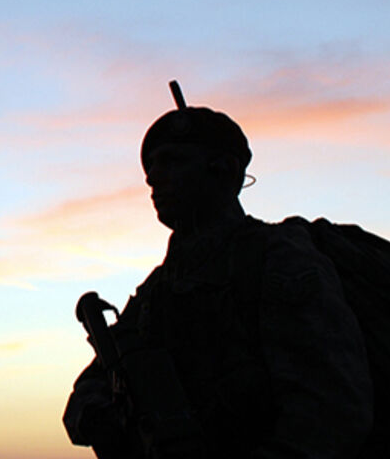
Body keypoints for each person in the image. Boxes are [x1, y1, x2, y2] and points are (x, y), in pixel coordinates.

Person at [63, 101, 373, 458]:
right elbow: (86, 396)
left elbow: (332, 410)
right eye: (151, 169)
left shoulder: (278, 258)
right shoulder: (157, 291)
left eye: (173, 161)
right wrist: (107, 418)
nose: (153, 179)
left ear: (223, 170)